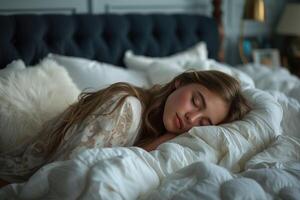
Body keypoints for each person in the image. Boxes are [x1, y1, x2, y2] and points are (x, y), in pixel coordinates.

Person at [0, 70, 251, 186]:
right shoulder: (126, 107)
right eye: (196, 101)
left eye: (205, 122)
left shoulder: (160, 131)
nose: (191, 118)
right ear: (179, 83)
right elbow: (65, 173)